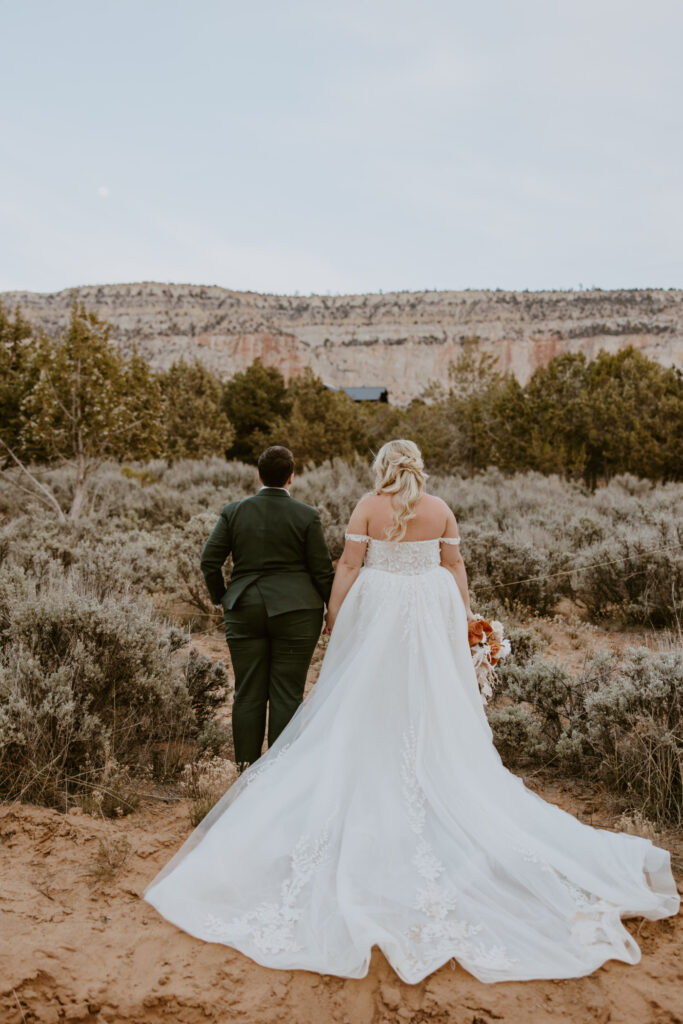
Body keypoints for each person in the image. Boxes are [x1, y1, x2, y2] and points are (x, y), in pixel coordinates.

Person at [144, 439, 679, 984]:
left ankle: (287, 766)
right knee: (428, 699)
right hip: (427, 610)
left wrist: (335, 615)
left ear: (382, 468)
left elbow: (349, 564)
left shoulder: (368, 507)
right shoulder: (441, 508)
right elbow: (455, 566)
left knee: (360, 697)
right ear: (419, 468)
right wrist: (466, 616)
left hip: (379, 610)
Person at [198, 445, 335, 767]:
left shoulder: (234, 511)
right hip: (297, 612)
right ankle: (277, 774)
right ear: (291, 477)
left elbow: (209, 561)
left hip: (244, 608)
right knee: (287, 693)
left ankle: (245, 771)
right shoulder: (306, 515)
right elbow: (322, 570)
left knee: (247, 692)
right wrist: (332, 610)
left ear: (258, 474)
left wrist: (221, 598)